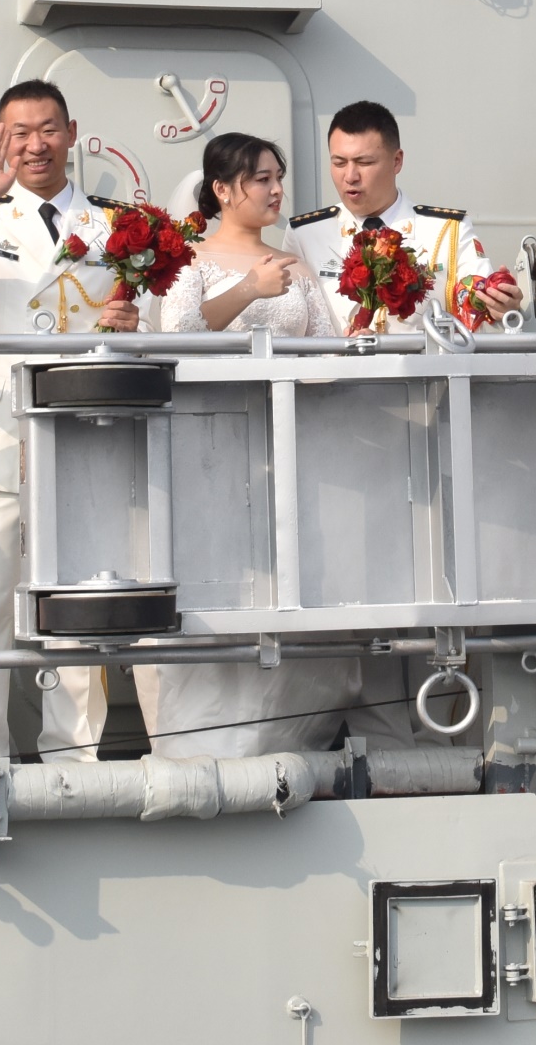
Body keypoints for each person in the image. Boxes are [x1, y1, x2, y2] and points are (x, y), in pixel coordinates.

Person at [138, 131, 382, 758]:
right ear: (222, 190)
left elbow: (326, 351)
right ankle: (201, 744)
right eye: (260, 179)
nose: (276, 190)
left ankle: (280, 740)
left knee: (287, 575)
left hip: (291, 447)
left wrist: (364, 327)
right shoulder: (190, 261)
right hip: (213, 448)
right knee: (222, 578)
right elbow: (178, 334)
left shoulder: (293, 264)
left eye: (278, 177)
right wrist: (248, 289)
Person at [0, 79, 136, 759]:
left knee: (79, 601)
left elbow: (153, 313)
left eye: (48, 129)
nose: (36, 144)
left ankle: (76, 757)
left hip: (84, 429)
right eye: (20, 132)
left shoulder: (117, 223)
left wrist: (134, 320)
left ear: (72, 133)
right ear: (1, 139)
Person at [287, 101, 482, 317]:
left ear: (396, 161)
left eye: (364, 162)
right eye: (339, 163)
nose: (350, 176)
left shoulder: (447, 231)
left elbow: (481, 307)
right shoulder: (305, 234)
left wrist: (498, 306)